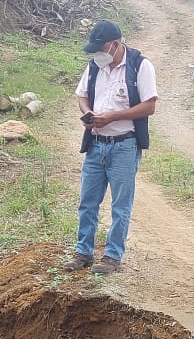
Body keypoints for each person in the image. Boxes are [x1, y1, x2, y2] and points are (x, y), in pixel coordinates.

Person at [64, 19, 158, 275]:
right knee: (87, 202)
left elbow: (149, 106)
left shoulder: (140, 66)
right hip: (96, 145)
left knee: (120, 205)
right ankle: (83, 252)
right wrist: (89, 113)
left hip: (124, 146)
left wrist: (112, 117)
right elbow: (82, 95)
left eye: (101, 49)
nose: (98, 54)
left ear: (116, 45)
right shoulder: (94, 66)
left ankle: (112, 257)